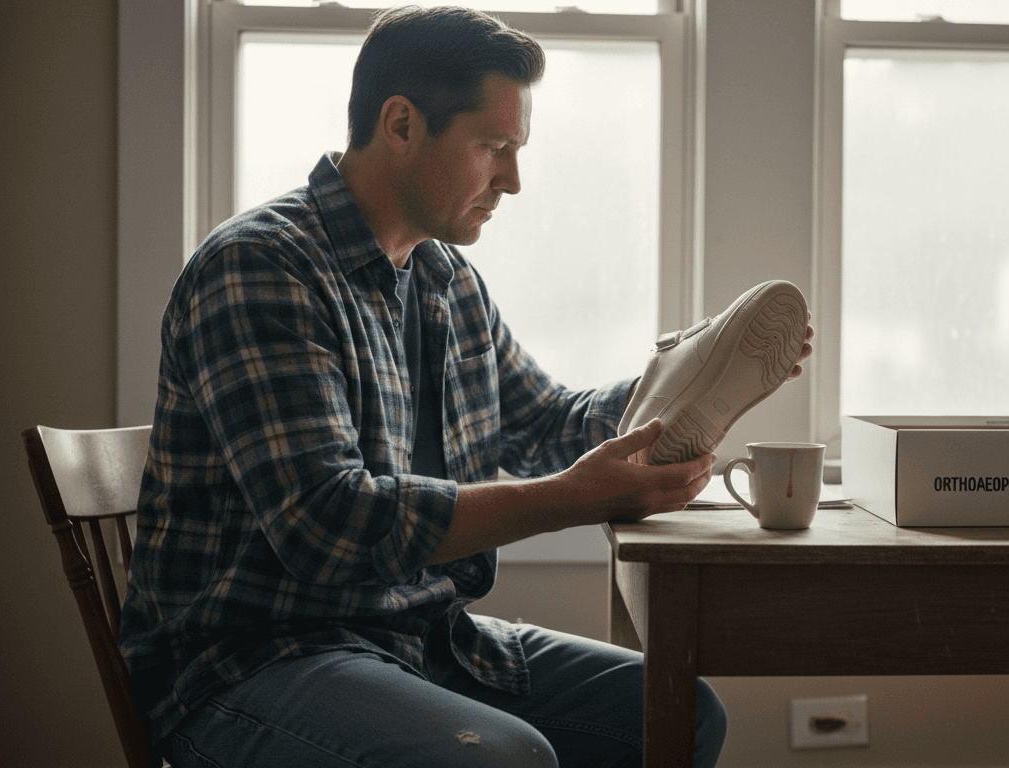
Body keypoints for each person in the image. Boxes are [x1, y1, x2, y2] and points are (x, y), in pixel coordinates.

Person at [120, 6, 812, 768]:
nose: (513, 181)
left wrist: (686, 384)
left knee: (682, 713)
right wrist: (571, 497)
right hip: (249, 666)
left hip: (419, 638)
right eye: (493, 148)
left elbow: (545, 423)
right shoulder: (259, 269)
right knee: (504, 759)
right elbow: (327, 522)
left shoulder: (447, 281)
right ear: (401, 124)